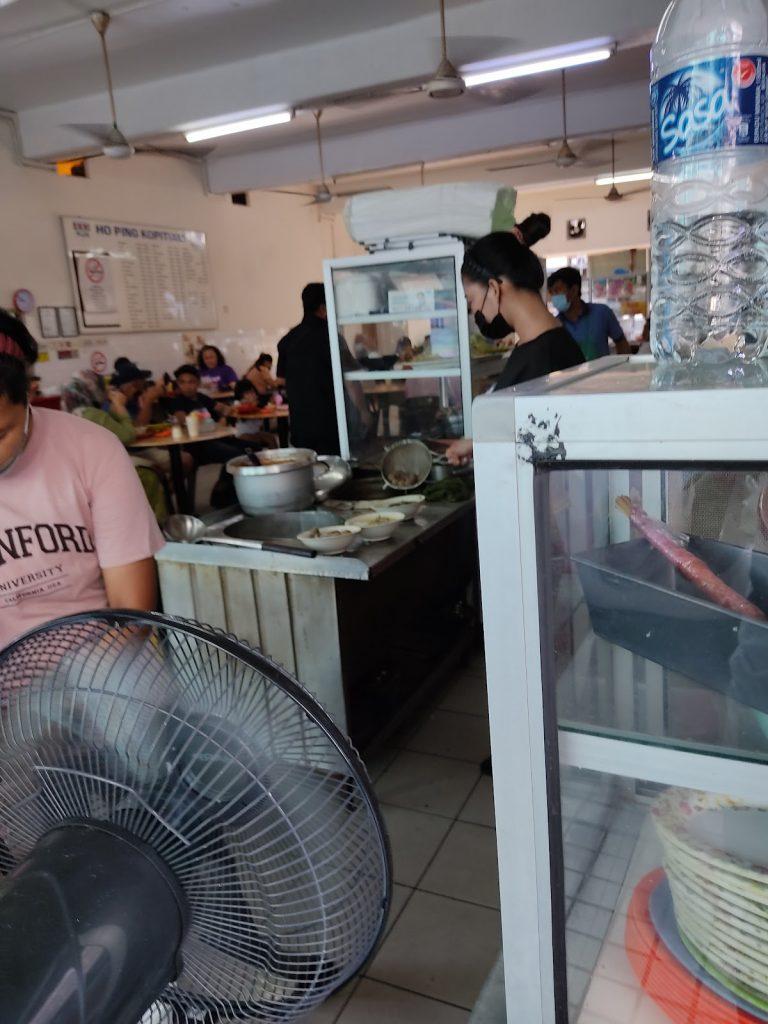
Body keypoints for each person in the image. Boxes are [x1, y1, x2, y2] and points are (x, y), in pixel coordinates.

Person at [0, 311, 162, 650]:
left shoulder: (92, 448)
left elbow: (131, 612)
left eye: (0, 435)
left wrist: (81, 679)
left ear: (28, 395)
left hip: (101, 663)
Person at [61, 371, 168, 522]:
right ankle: (155, 523)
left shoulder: (69, 415)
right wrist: (120, 406)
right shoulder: (90, 413)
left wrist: (115, 408)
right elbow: (127, 436)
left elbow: (113, 426)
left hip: (85, 470)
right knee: (150, 472)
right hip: (105, 467)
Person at [277, 283, 340, 455]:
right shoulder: (330, 336)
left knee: (309, 467)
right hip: (330, 424)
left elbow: (280, 381)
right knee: (334, 468)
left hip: (300, 425)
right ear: (323, 308)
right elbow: (349, 377)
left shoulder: (287, 340)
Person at [547, 266, 631, 360]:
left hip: (602, 369)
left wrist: (624, 366)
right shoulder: (555, 325)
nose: (553, 297)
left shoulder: (602, 313)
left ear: (574, 290)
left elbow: (621, 343)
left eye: (557, 291)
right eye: (551, 293)